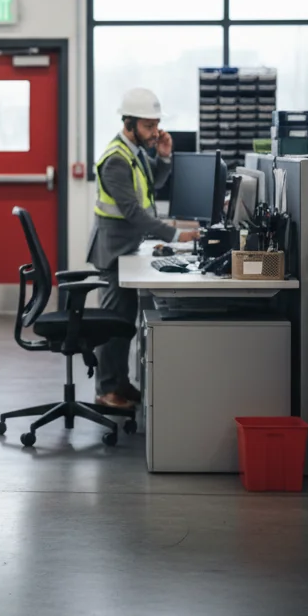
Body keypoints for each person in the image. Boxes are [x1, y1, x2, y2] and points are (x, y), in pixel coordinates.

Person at [87, 88, 200, 410]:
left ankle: (121, 384)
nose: (155, 132)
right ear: (129, 122)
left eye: (156, 125)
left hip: (128, 247)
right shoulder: (116, 160)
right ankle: (107, 390)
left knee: (124, 322)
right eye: (149, 126)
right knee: (114, 323)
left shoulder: (133, 151)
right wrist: (177, 236)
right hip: (114, 251)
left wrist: (163, 156)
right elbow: (134, 213)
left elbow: (154, 187)